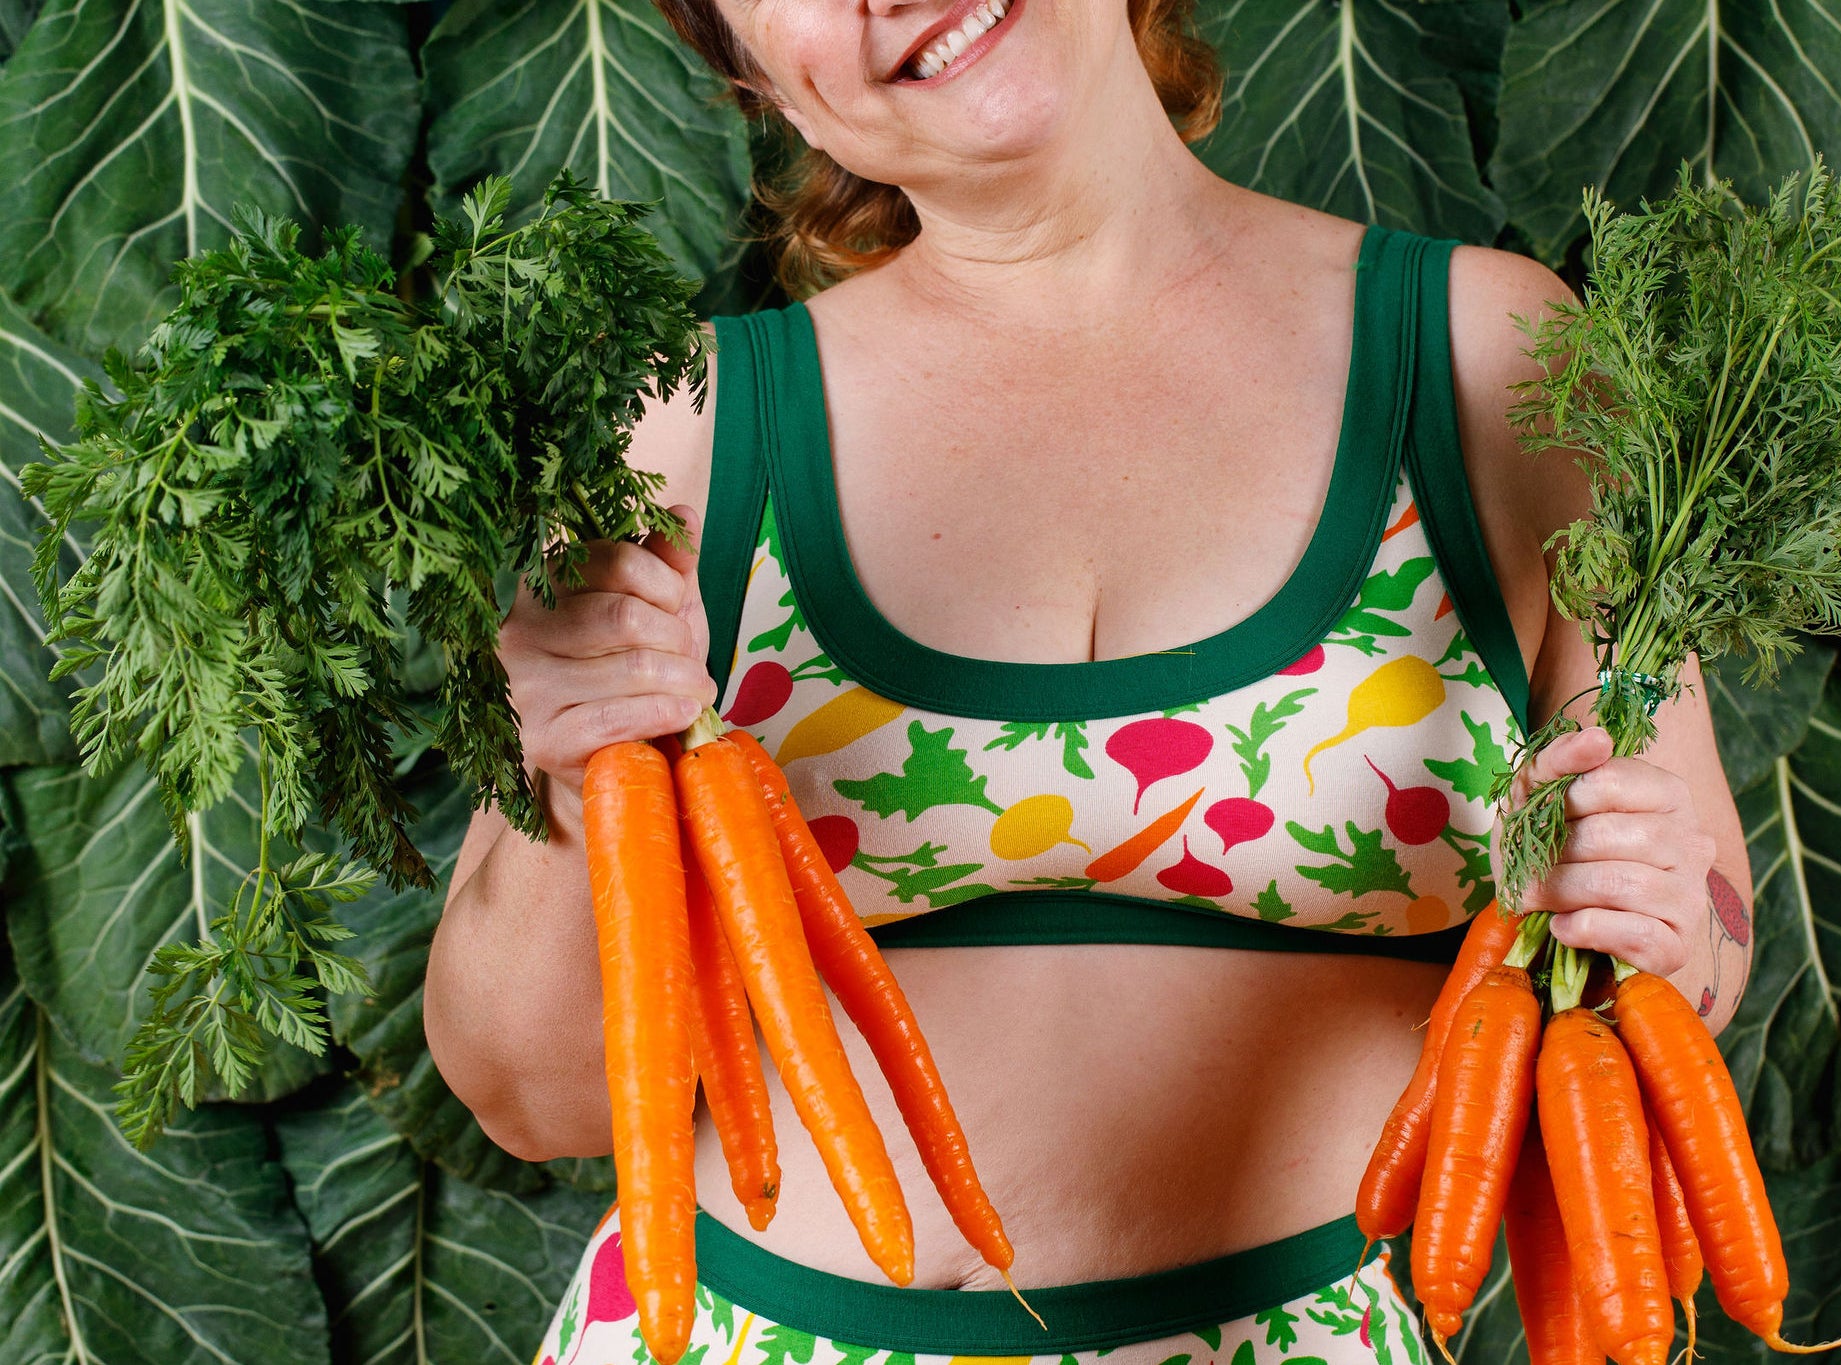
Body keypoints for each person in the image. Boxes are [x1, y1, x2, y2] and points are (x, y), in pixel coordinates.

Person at [422, 0, 1754, 1358]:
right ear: (760, 78)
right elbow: (536, 1100)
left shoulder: (1499, 356)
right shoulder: (683, 433)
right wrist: (580, 781)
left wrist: (1656, 902)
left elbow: (1704, 932)